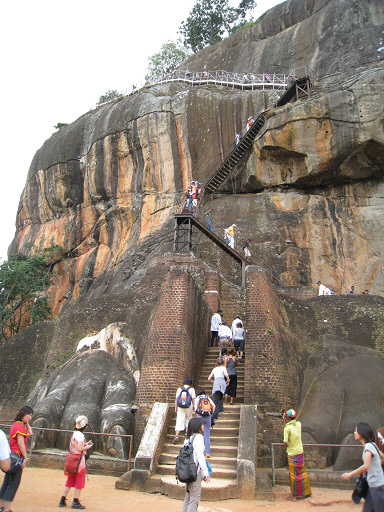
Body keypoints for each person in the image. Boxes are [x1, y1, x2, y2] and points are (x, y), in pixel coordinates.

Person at [342, 422, 384, 511]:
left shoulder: (369, 447)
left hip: (377, 487)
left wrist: (350, 474)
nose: (354, 433)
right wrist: (377, 466)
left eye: (356, 431)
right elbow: (382, 456)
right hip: (373, 485)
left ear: (361, 433)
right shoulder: (373, 445)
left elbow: (366, 466)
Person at [0, 406, 33, 512]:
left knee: (7, 482)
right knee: (13, 484)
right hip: (17, 457)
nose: (30, 418)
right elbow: (20, 443)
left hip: (11, 457)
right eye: (29, 415)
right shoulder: (19, 426)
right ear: (23, 414)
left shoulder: (16, 424)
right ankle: (7, 508)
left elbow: (30, 433)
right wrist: (25, 457)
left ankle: (1, 505)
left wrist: (26, 422)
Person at [59, 415, 93, 509]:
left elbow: (75, 446)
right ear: (85, 426)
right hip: (79, 461)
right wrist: (87, 447)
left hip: (71, 458)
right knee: (79, 482)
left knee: (70, 480)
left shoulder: (74, 433)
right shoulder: (81, 435)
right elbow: (80, 448)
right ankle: (75, 501)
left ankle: (62, 499)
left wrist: (85, 444)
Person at [283, 409, 311, 501]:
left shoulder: (287, 428)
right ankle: (306, 492)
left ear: (287, 418)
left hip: (292, 453)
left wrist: (285, 422)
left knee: (294, 474)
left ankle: (294, 495)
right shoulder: (298, 424)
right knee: (302, 472)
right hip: (300, 452)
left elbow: (285, 442)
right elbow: (293, 423)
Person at [182, 418, 209, 512]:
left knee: (188, 497)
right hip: (194, 471)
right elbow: (200, 456)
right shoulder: (198, 438)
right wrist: (205, 472)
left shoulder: (187, 439)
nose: (203, 427)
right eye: (201, 425)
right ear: (197, 426)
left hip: (186, 471)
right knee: (194, 499)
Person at [174, 378, 196, 444]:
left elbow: (176, 399)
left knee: (179, 420)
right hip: (189, 406)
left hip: (180, 406)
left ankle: (177, 435)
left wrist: (176, 407)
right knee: (188, 418)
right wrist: (195, 407)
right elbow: (193, 399)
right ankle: (186, 432)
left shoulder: (179, 389)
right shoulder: (191, 389)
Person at [194, 389, 215, 458]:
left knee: (198, 434)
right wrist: (211, 414)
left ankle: (199, 451)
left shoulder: (197, 398)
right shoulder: (208, 398)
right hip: (208, 417)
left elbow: (196, 409)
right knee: (207, 435)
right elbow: (214, 406)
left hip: (200, 416)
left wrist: (196, 413)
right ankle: (207, 452)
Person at [208, 358, 229, 424]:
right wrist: (228, 380)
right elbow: (226, 375)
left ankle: (215, 414)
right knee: (220, 396)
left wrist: (213, 382)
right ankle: (221, 409)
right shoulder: (223, 368)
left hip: (216, 382)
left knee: (215, 399)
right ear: (222, 363)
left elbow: (209, 378)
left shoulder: (214, 369)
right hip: (222, 382)